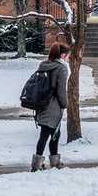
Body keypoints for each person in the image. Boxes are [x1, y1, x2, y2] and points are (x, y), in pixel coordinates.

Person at [32, 42, 70, 171]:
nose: (68, 58)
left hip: (41, 104)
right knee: (48, 134)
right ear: (63, 55)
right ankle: (38, 165)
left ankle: (52, 162)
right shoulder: (62, 68)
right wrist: (65, 104)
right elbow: (61, 90)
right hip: (53, 106)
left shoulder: (44, 65)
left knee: (53, 133)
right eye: (68, 55)